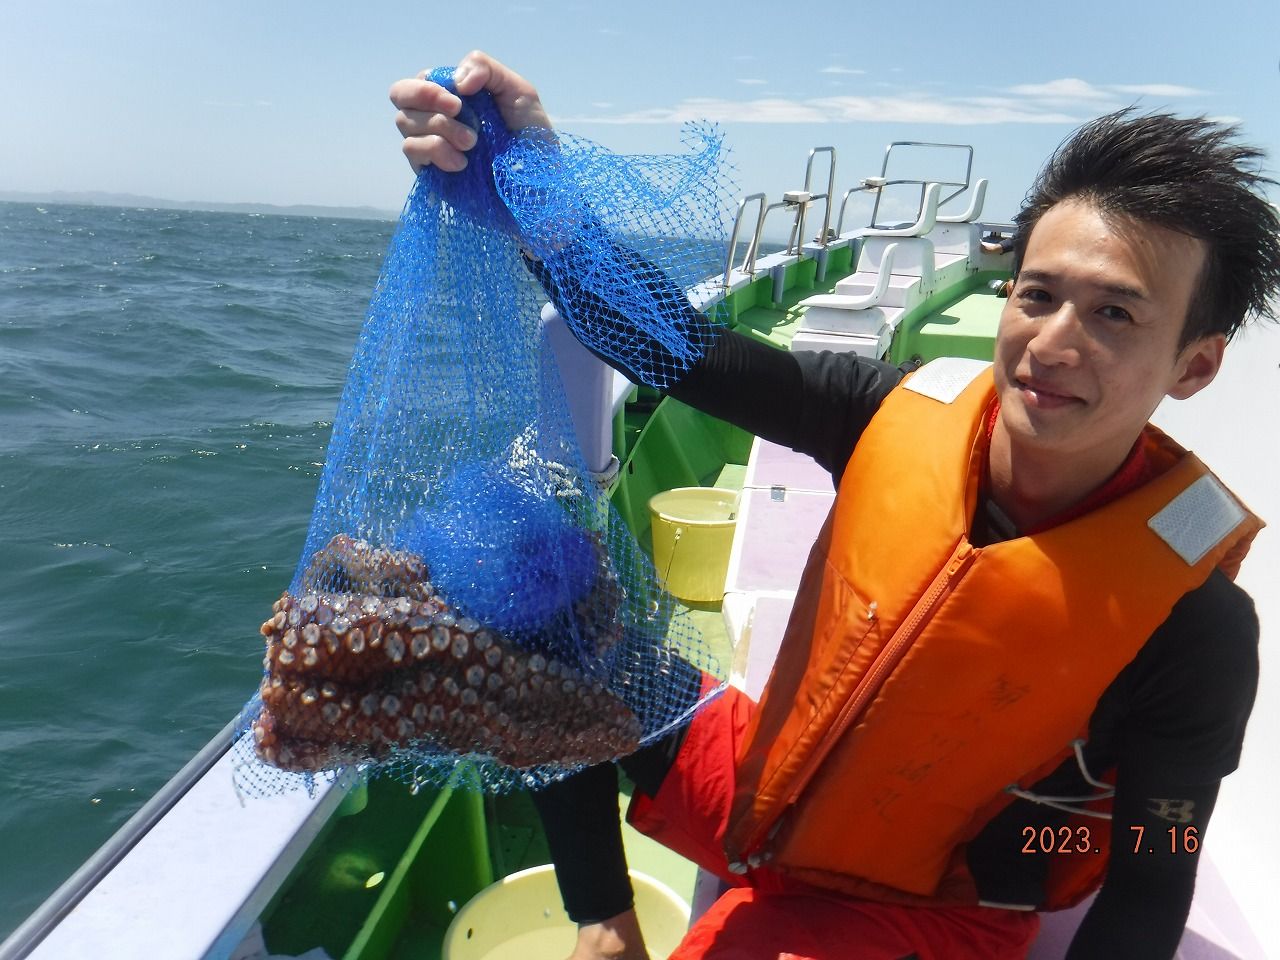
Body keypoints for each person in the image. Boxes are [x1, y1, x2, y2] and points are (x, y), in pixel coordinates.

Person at [389, 52, 1280, 960]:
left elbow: (1154, 871)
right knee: (523, 598)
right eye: (1039, 295)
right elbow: (673, 349)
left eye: (1115, 315)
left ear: (1194, 365)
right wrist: (534, 187)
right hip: (760, 782)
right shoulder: (889, 412)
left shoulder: (1196, 627)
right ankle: (606, 925)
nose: (1052, 344)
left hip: (919, 899)